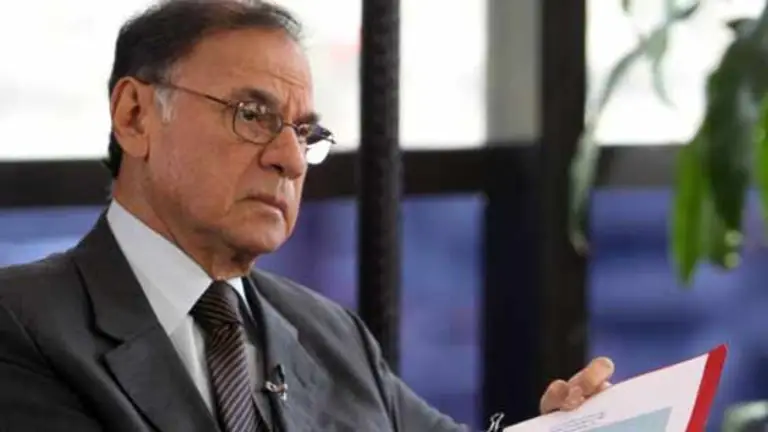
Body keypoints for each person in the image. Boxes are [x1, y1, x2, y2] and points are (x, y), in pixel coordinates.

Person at [0, 1, 614, 431]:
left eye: (305, 133)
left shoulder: (330, 334)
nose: (291, 159)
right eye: (251, 114)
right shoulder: (23, 326)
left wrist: (563, 426)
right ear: (134, 116)